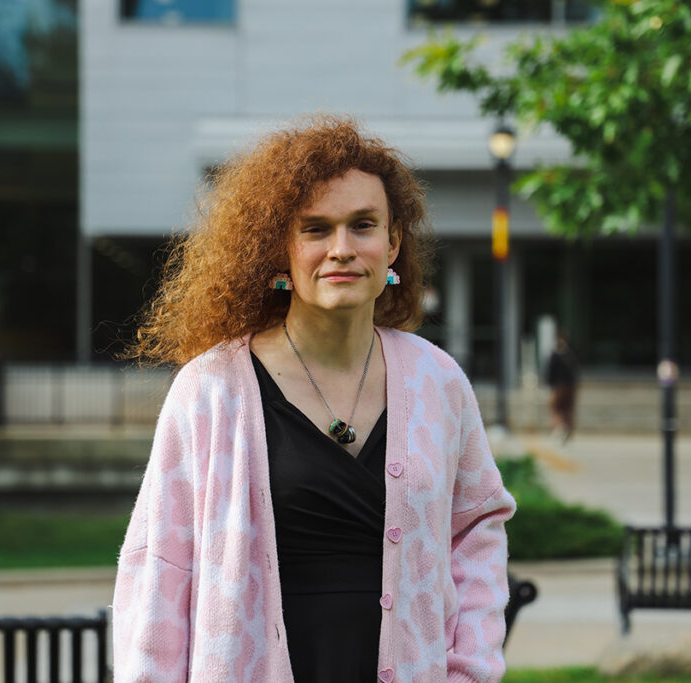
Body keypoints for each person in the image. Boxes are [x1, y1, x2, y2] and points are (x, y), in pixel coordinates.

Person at [112, 116, 515, 682]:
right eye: (316, 229)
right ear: (282, 247)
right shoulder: (211, 391)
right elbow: (159, 572)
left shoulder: (438, 381)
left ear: (394, 243)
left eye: (363, 226)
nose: (342, 249)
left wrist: (470, 669)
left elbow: (478, 530)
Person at [545, 332, 579, 443]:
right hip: (569, 386)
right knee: (567, 410)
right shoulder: (570, 354)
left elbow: (550, 373)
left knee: (557, 408)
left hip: (559, 387)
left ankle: (559, 428)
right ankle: (566, 429)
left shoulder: (556, 355)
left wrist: (550, 384)